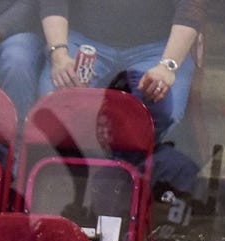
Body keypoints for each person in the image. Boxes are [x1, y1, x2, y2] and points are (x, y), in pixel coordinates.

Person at [38, 0, 203, 143]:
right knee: (54, 100)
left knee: (164, 110)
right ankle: (84, 163)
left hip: (157, 50)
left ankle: (130, 169)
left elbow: (190, 8)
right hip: (85, 43)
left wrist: (167, 66)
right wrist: (59, 53)